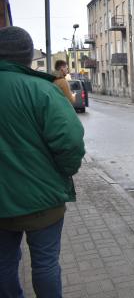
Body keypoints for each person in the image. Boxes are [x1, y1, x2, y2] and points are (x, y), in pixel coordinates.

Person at [0, 26, 85, 297]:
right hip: (43, 199)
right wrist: (65, 171)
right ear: (28, 56)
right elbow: (70, 141)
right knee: (46, 263)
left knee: (3, 264)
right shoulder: (43, 91)